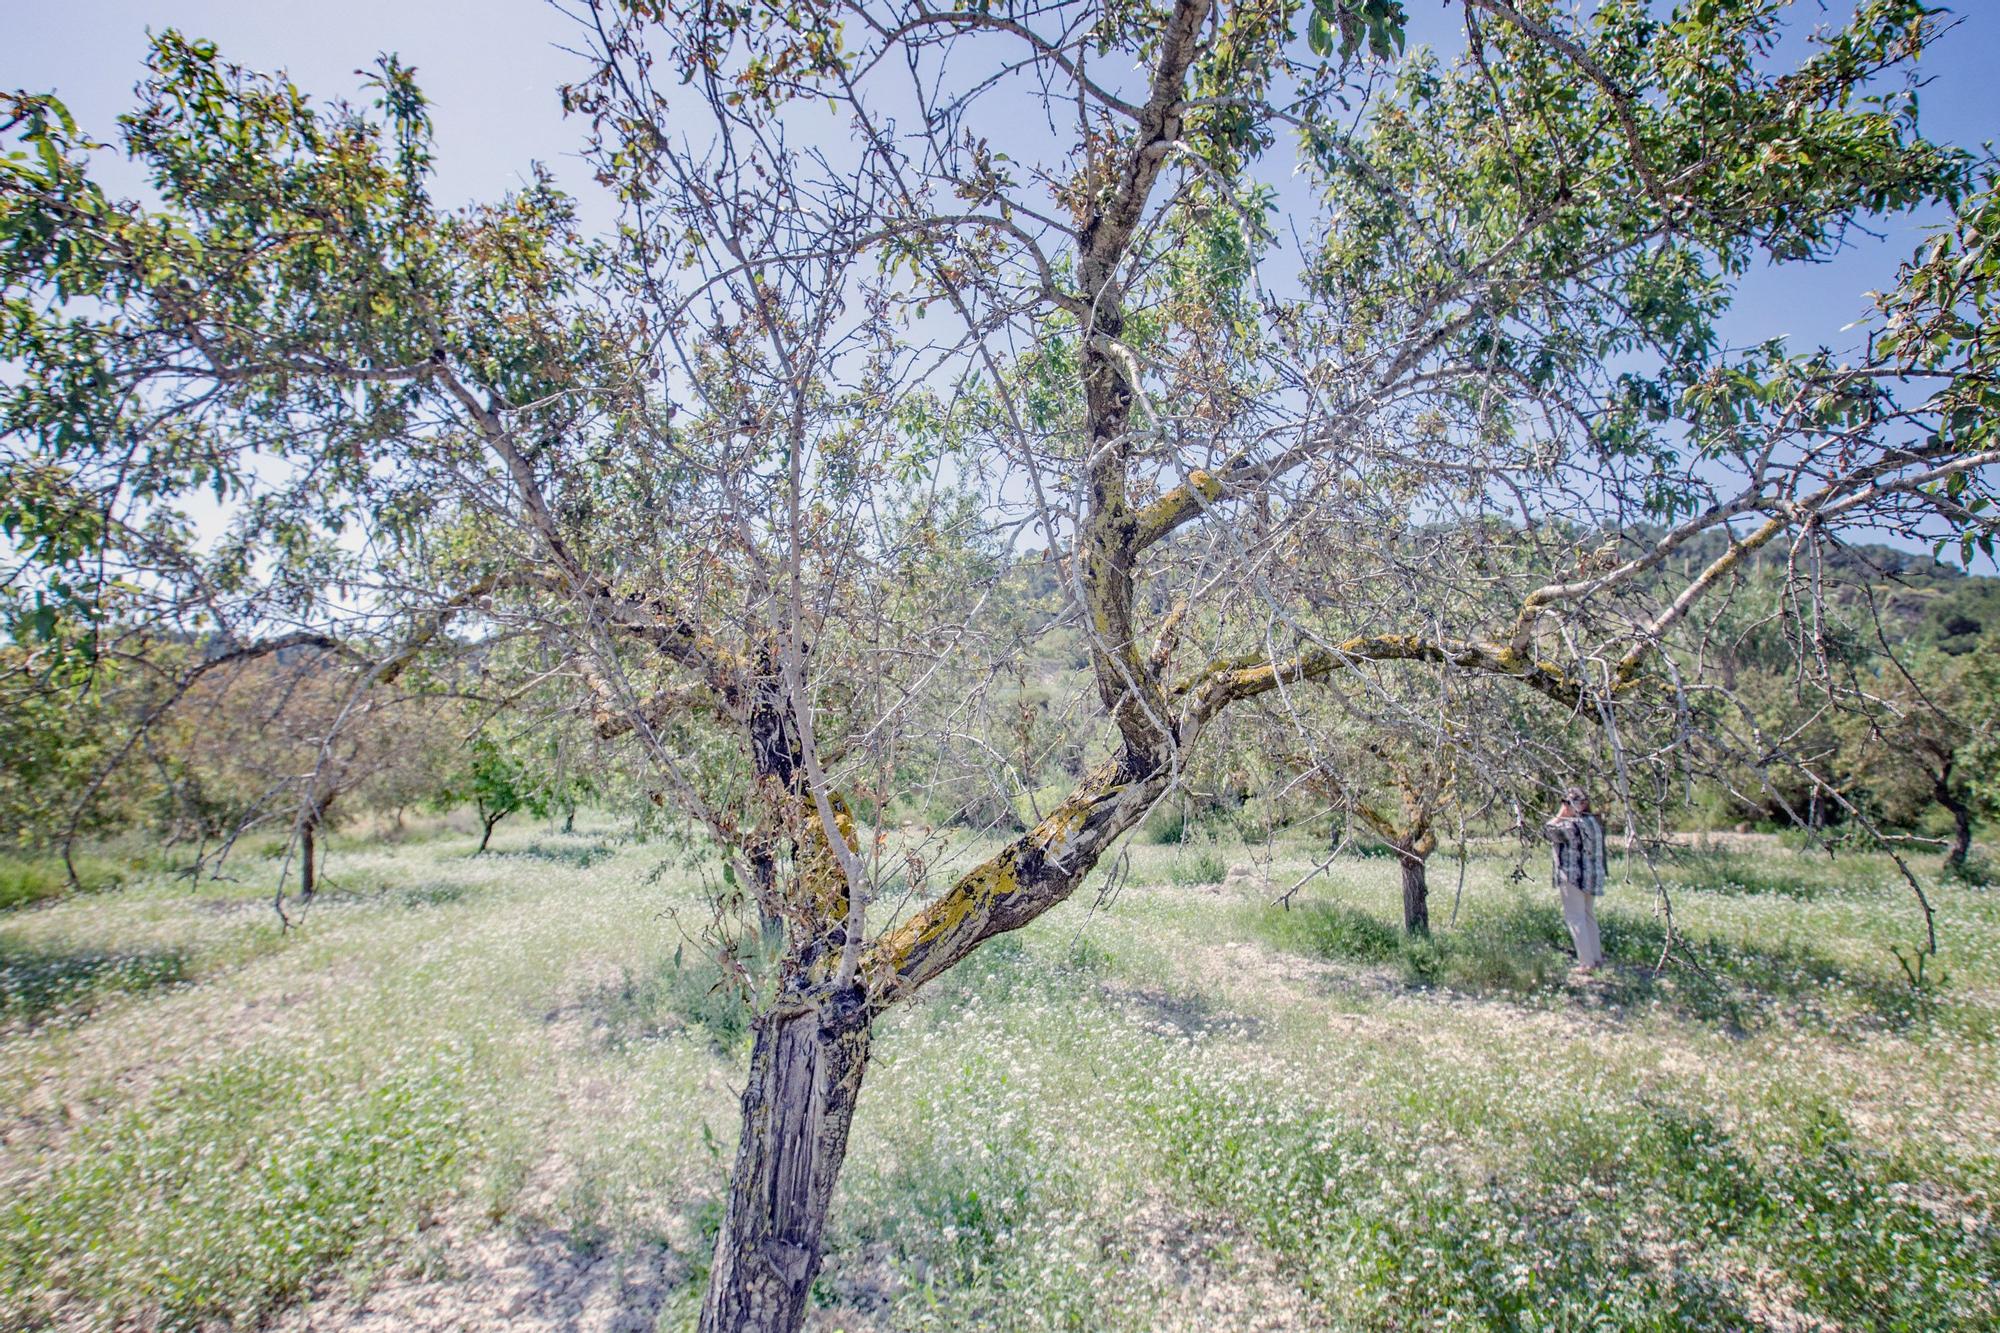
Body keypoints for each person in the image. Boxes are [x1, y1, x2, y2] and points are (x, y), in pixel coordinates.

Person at [1543, 785, 1606, 971]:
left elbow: (1547, 830)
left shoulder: (1571, 825)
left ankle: (1586, 963)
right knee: (1588, 917)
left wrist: (1560, 814)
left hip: (1573, 876)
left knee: (1576, 919)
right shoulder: (1593, 823)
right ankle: (1596, 958)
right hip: (1591, 877)